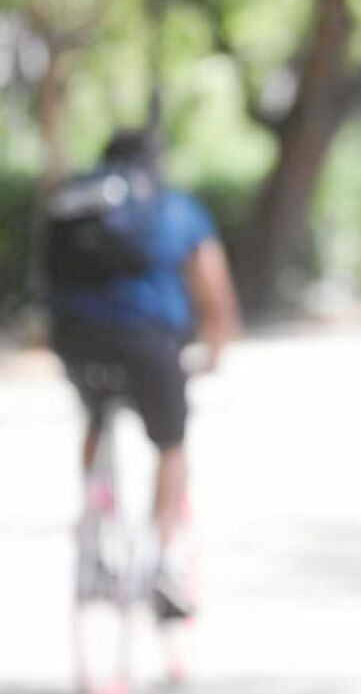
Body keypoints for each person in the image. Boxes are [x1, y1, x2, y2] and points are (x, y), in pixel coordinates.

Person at [47, 127, 240, 619]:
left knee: (96, 415)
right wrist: (215, 353)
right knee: (171, 443)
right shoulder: (175, 208)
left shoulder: (78, 203)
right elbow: (214, 291)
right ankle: (165, 560)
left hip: (74, 339)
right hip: (147, 343)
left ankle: (93, 522)